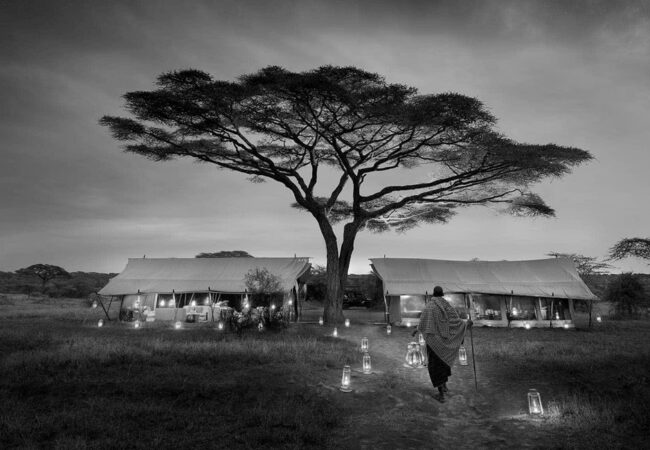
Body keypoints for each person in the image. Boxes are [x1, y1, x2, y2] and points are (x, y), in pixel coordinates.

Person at [413, 286, 472, 403]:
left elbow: (423, 321)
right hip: (445, 343)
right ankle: (444, 387)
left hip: (434, 343)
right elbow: (456, 321)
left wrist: (417, 329)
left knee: (435, 367)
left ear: (433, 294)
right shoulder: (448, 306)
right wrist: (465, 324)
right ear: (442, 294)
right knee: (443, 363)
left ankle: (441, 395)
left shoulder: (430, 306)